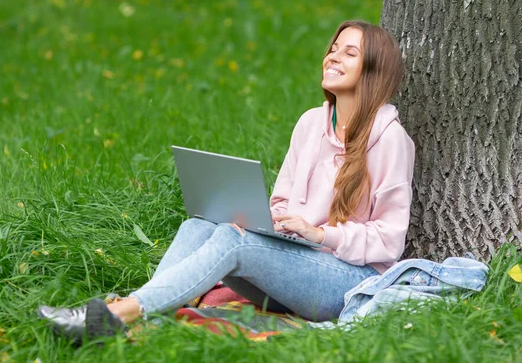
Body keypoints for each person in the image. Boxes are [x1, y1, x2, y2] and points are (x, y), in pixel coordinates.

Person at [38, 20, 415, 341]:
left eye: (349, 52)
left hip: (345, 283)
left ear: (373, 69)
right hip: (293, 267)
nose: (333, 56)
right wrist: (274, 224)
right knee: (201, 224)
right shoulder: (310, 123)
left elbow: (389, 240)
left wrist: (320, 235)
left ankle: (116, 316)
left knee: (233, 242)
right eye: (333, 49)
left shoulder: (390, 140)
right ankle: (131, 314)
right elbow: (282, 200)